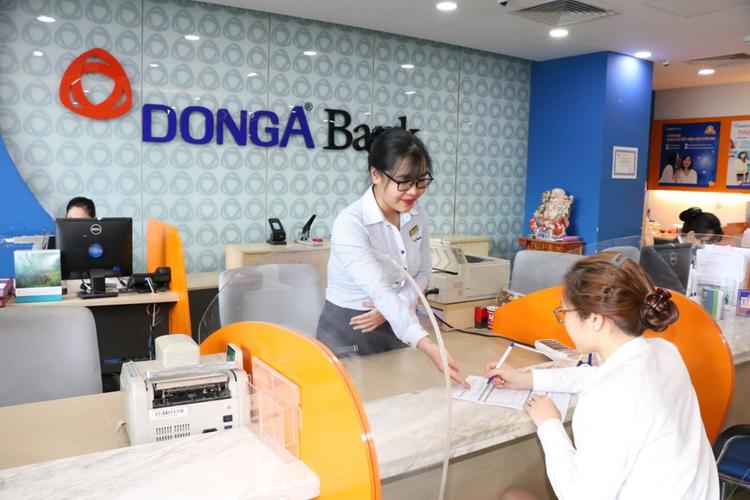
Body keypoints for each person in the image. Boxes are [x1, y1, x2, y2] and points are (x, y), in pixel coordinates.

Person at [488, 253, 719, 500]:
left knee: (511, 496)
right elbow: (599, 375)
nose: (564, 321)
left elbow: (578, 496)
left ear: (596, 320)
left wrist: (549, 424)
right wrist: (529, 379)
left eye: (565, 312)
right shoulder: (664, 351)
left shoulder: (608, 397)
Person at [316, 126, 468, 388]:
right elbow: (379, 291)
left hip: (394, 324)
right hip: (348, 328)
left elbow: (422, 273)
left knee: (397, 399)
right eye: (404, 182)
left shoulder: (417, 214)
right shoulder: (351, 223)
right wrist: (430, 347)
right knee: (354, 403)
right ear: (375, 174)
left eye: (421, 181)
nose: (414, 192)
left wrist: (394, 307)